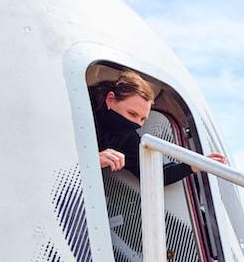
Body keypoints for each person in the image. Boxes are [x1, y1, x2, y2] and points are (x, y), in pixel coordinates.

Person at [91, 70, 225, 183]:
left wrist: (195, 164)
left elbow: (153, 175)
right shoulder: (80, 110)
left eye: (143, 119)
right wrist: (93, 160)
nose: (137, 123)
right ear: (110, 99)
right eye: (132, 113)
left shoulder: (128, 137)